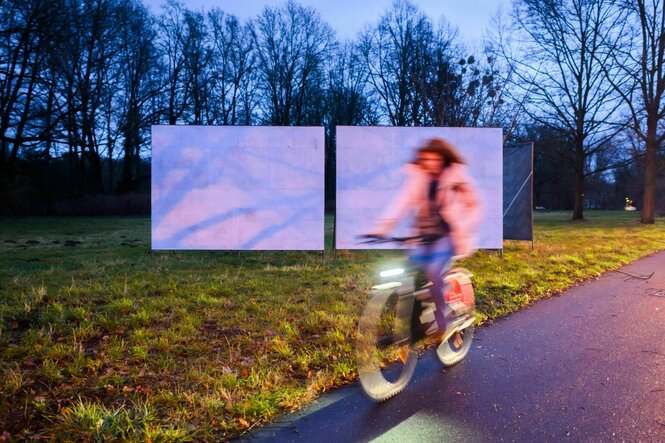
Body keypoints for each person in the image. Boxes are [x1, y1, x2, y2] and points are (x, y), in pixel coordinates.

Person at [369, 137, 482, 340]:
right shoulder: (418, 178)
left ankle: (443, 320)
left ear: (443, 159)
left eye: (434, 159)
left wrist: (463, 227)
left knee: (433, 271)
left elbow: (474, 206)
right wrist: (381, 229)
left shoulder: (456, 178)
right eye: (426, 159)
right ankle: (412, 330)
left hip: (448, 236)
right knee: (410, 277)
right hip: (423, 237)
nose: (430, 163)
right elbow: (401, 204)